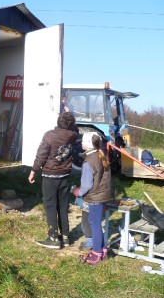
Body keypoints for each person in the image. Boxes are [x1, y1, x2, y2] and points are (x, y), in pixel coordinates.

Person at [28, 112, 78, 249]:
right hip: (65, 175)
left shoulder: (50, 135)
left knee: (50, 206)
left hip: (50, 176)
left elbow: (41, 155)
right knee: (63, 206)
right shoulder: (73, 135)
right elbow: (76, 128)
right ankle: (66, 237)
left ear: (58, 121)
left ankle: (53, 238)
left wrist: (33, 170)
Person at [74, 132, 112, 264]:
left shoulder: (88, 162)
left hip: (95, 197)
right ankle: (102, 249)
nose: (81, 143)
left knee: (94, 224)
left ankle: (96, 253)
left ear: (89, 144)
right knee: (95, 223)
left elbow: (86, 185)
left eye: (83, 141)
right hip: (102, 194)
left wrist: (78, 192)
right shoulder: (100, 155)